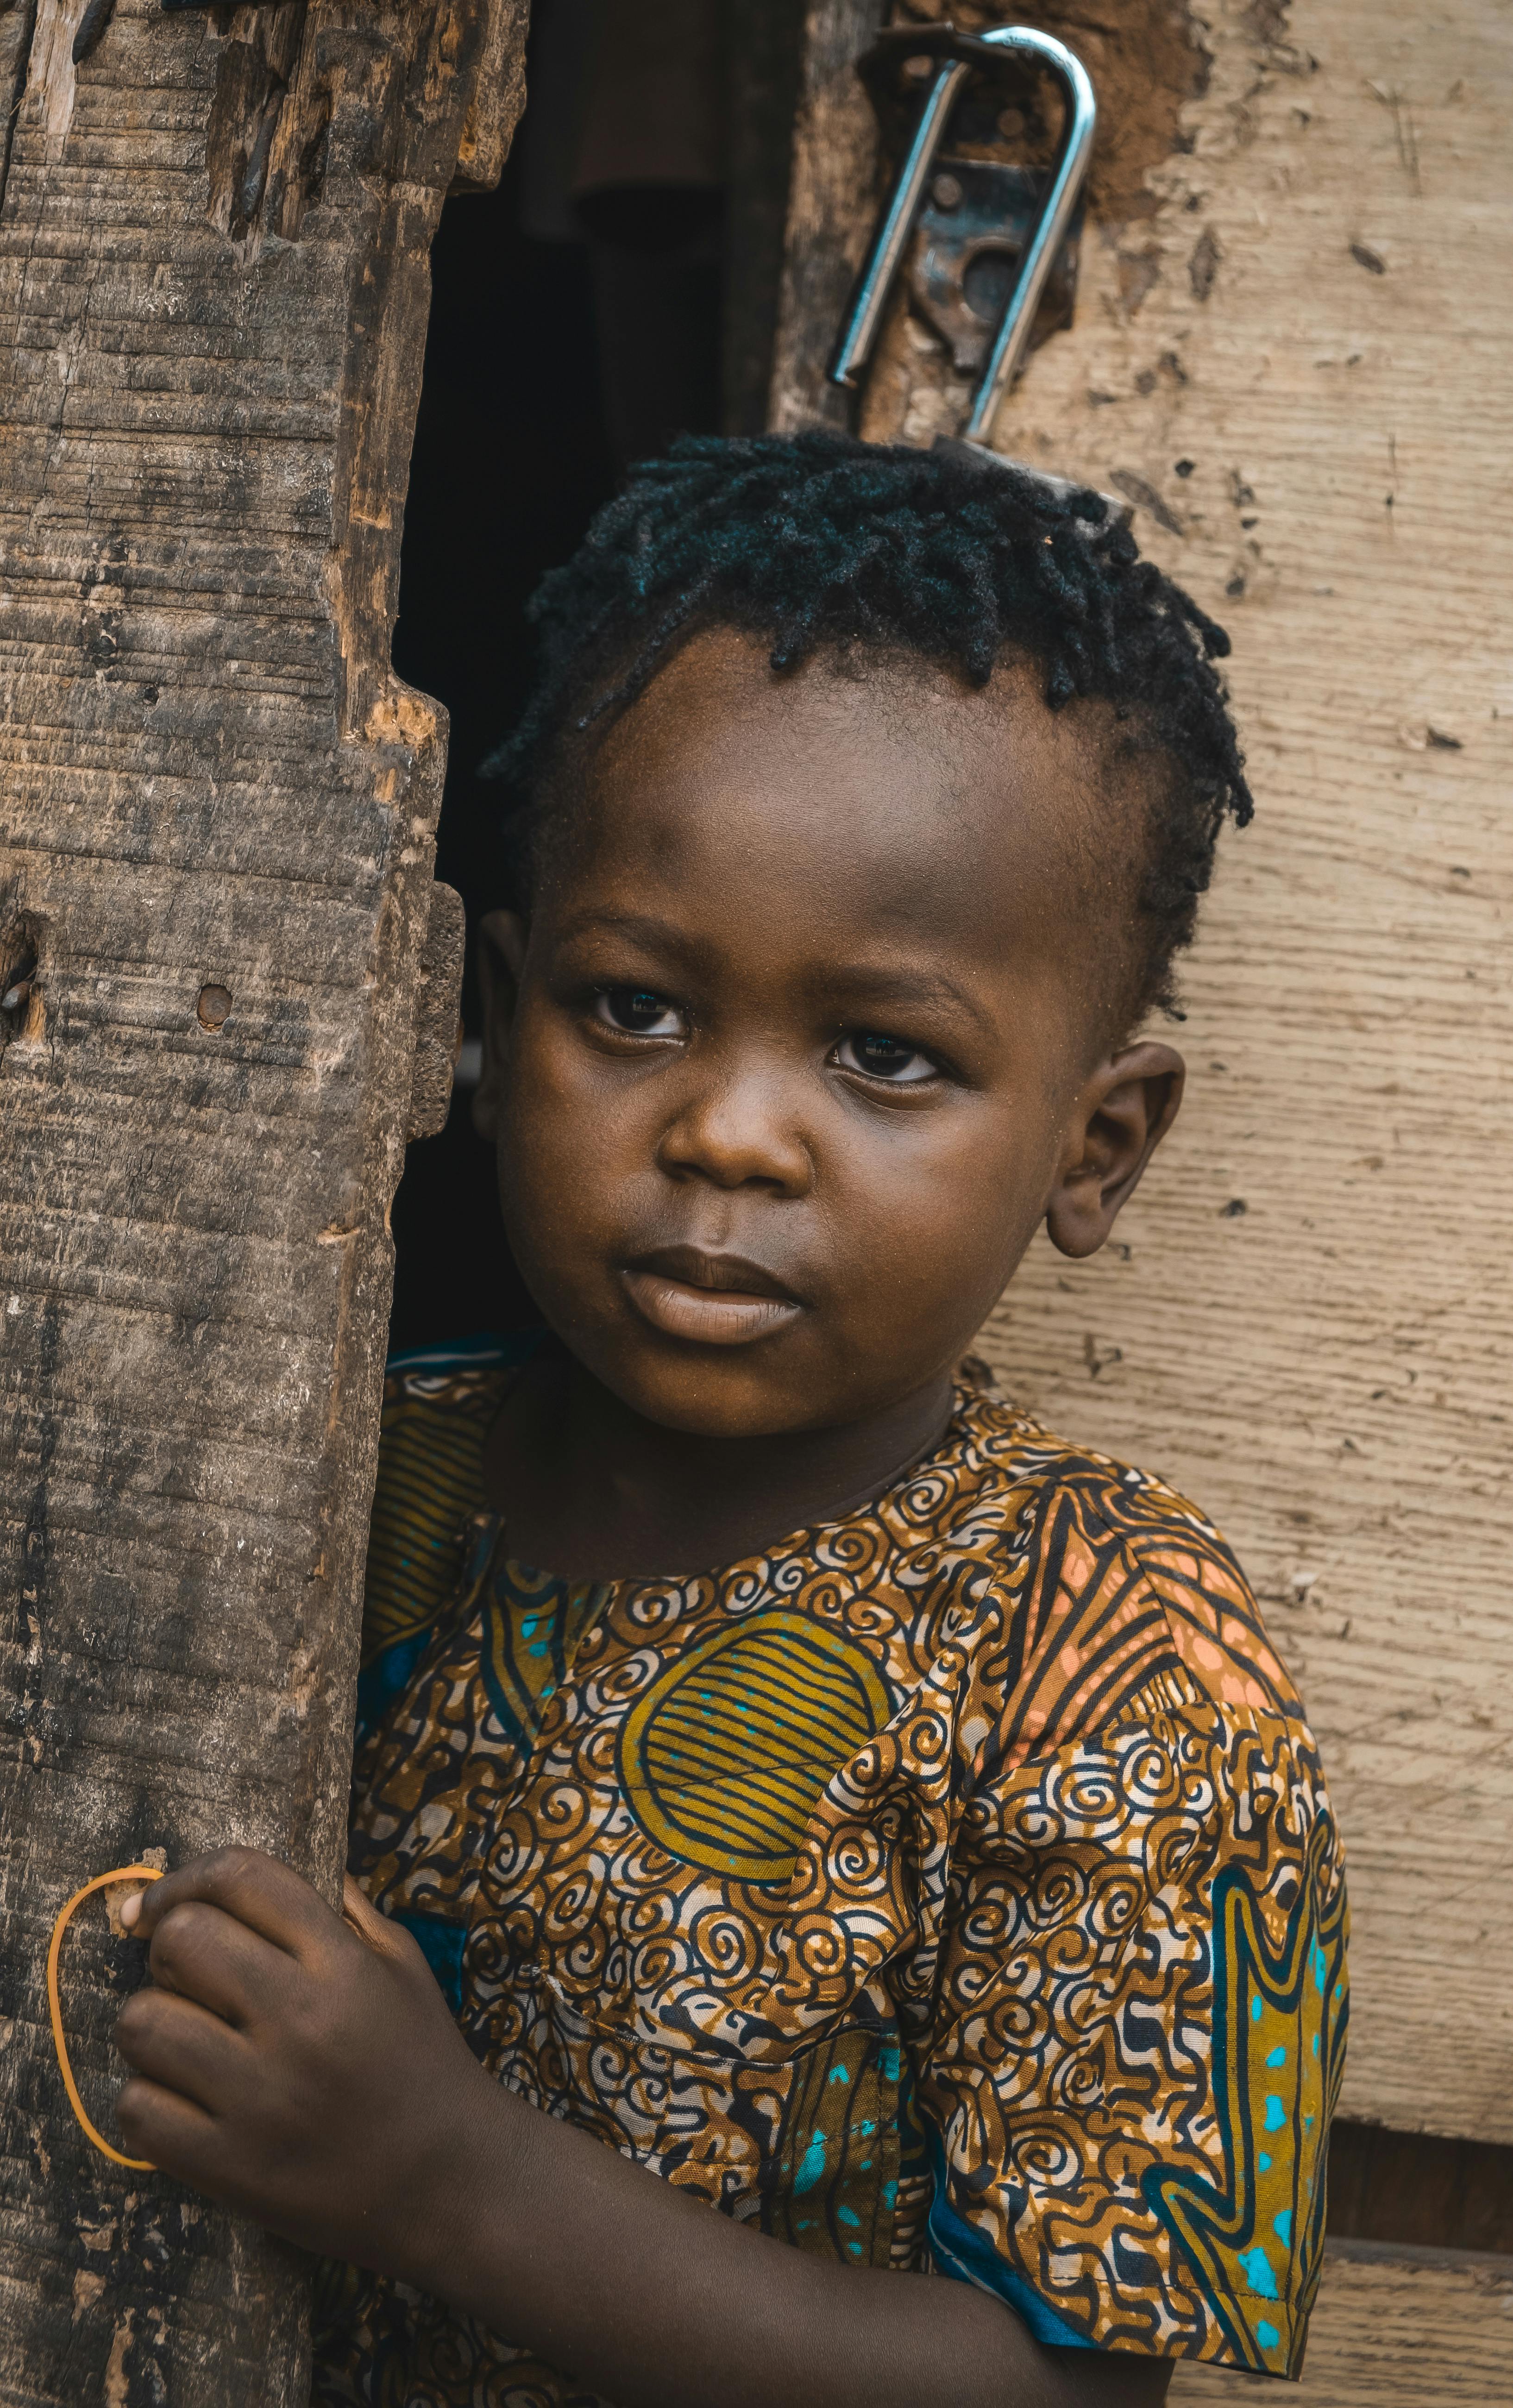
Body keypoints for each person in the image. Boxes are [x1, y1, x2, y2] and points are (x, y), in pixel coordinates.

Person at [112, 433, 1350, 2405]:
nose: (726, 1129)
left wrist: (444, 2178)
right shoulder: (327, 1465)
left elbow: (1067, 2390)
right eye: (633, 1009)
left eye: (883, 1054)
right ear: (493, 1018)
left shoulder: (1113, 1670)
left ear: (1091, 1142)